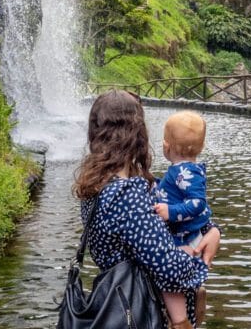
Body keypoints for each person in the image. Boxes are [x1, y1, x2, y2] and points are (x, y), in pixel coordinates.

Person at [74, 91, 219, 329]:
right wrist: (194, 252)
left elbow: (171, 218)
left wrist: (213, 231)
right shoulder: (126, 194)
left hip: (118, 303)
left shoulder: (98, 183)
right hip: (143, 315)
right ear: (137, 134)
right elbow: (171, 269)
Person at [154, 111, 213, 322]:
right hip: (183, 233)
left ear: (166, 146)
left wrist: (171, 212)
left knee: (170, 281)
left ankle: (181, 322)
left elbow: (198, 203)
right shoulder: (180, 170)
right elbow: (173, 192)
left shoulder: (187, 172)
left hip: (187, 236)